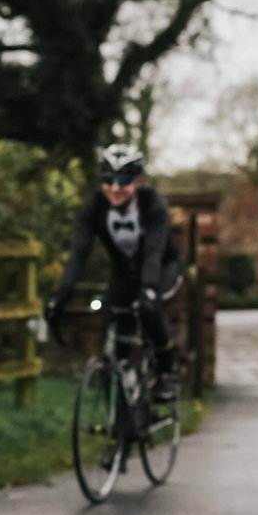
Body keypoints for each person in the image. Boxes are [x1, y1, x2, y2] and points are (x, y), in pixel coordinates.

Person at [43, 144, 185, 402]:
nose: (116, 188)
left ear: (138, 182)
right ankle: (121, 407)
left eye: (124, 181)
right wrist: (60, 297)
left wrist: (149, 289)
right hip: (125, 272)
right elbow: (78, 255)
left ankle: (167, 373)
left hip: (162, 267)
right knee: (115, 318)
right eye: (109, 181)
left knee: (149, 308)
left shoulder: (152, 204)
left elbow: (154, 252)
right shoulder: (95, 207)